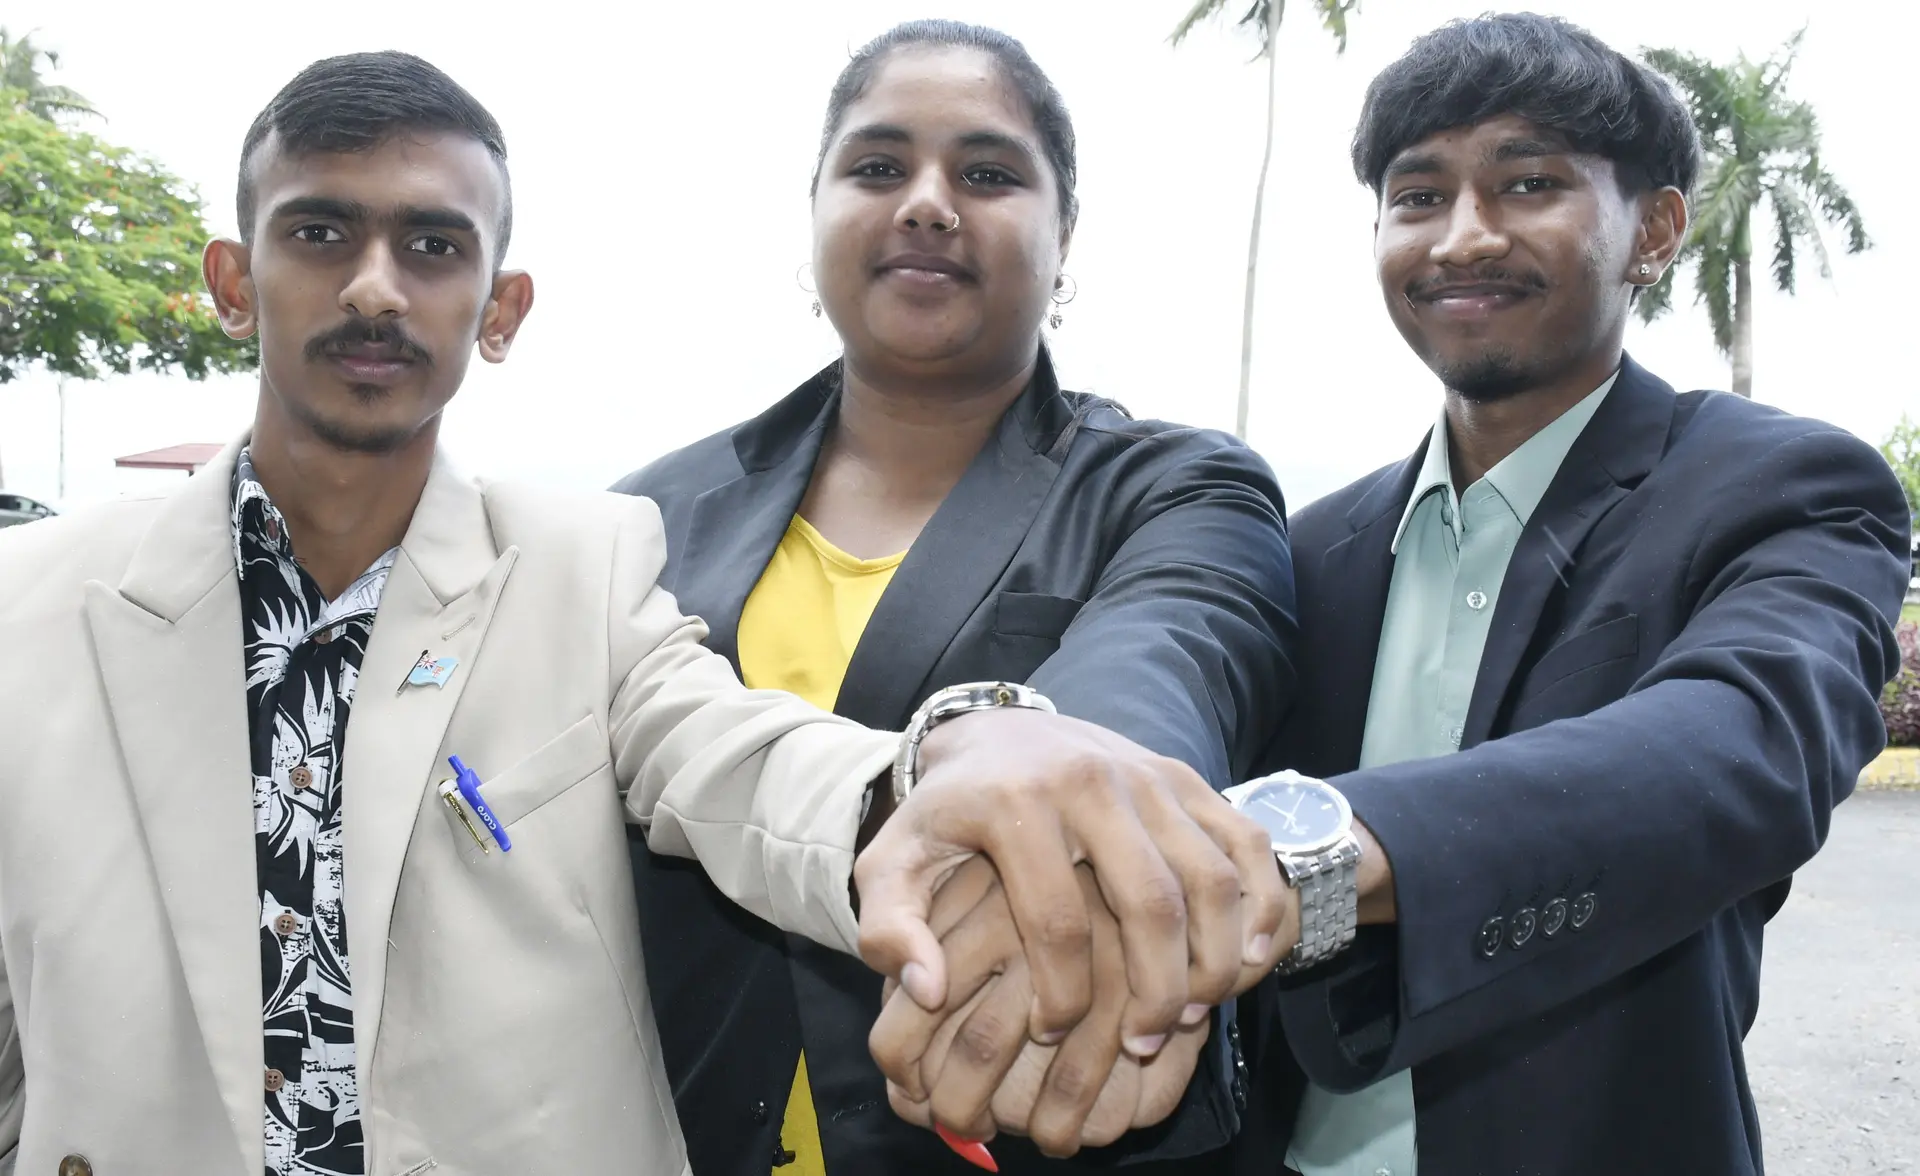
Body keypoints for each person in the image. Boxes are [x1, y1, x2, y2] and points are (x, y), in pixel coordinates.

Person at [0, 51, 1298, 1176]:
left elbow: (732, 756)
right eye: (320, 233)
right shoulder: (32, 604)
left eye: (434, 245)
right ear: (234, 279)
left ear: (500, 308)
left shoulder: (583, 564)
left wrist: (961, 763)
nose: (378, 288)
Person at [1212, 14, 1910, 1176]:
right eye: (1418, 195)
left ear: (1655, 228)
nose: (1464, 237)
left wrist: (1323, 856)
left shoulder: (1780, 485)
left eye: (1528, 183)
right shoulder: (1314, 547)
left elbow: (1748, 745)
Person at [612, 19, 1297, 1175]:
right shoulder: (655, 515)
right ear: (818, 210)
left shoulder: (1177, 486)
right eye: (877, 167)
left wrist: (1042, 762)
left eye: (987, 174)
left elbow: (1170, 653)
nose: (927, 203)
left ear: (1062, 232)